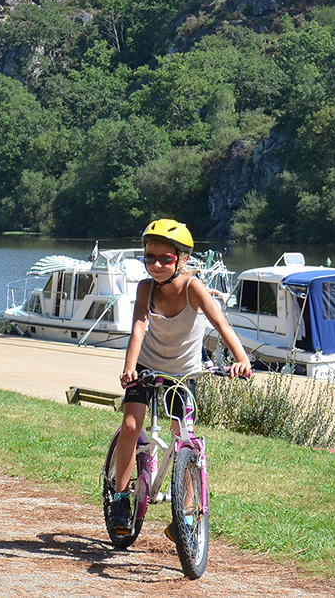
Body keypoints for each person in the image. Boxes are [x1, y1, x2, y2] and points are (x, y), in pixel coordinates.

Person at [106, 218, 252, 537]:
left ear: (182, 260)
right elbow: (138, 329)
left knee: (183, 436)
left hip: (183, 374)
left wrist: (241, 359)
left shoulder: (192, 287)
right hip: (146, 367)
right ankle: (119, 498)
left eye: (165, 258)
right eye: (149, 257)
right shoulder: (146, 288)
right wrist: (130, 367)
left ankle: (185, 513)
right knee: (131, 425)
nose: (156, 265)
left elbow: (222, 325)